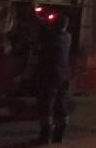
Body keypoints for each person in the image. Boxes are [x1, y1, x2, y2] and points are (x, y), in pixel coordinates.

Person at [34, 13, 72, 145]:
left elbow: (42, 31)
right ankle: (59, 136)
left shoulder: (51, 37)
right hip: (63, 76)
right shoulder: (68, 37)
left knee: (47, 105)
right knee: (61, 104)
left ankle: (45, 137)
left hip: (50, 75)